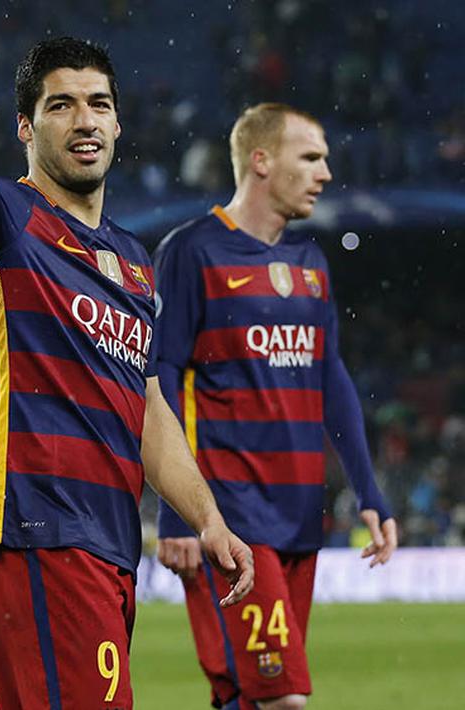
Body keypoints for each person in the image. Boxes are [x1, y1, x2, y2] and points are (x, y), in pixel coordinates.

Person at [0, 26, 256, 709]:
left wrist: (206, 518)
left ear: (118, 122)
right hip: (38, 530)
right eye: (60, 105)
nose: (84, 119)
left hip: (108, 542)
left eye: (97, 103)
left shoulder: (132, 260)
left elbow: (146, 407)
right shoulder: (9, 218)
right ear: (24, 127)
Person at [152, 103, 399, 710]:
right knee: (283, 699)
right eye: (311, 156)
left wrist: (368, 489)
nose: (325, 173)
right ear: (261, 161)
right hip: (230, 517)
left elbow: (331, 378)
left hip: (299, 514)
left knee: (245, 694)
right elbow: (160, 377)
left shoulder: (310, 265)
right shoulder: (193, 252)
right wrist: (178, 515)